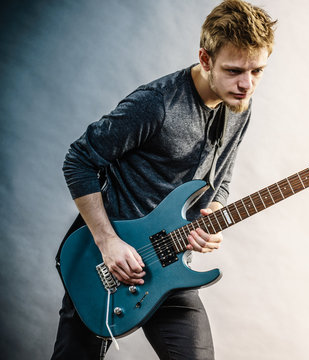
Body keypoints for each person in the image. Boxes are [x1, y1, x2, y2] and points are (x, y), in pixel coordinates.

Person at [51, 1, 277, 359]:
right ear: (205, 59)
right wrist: (109, 242)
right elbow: (78, 160)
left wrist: (213, 213)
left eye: (257, 71)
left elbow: (221, 178)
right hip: (107, 261)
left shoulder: (238, 106)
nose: (247, 84)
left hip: (170, 263)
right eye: (234, 70)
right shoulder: (157, 103)